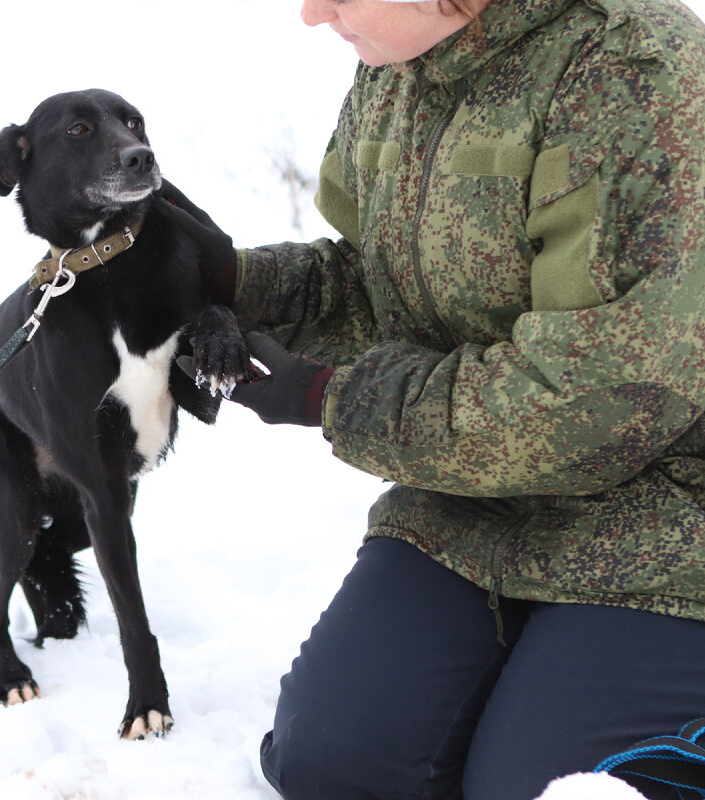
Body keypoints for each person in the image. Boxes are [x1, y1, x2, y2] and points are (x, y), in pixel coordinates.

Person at [170, 0, 705, 797]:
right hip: (470, 504)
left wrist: (331, 399)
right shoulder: (399, 62)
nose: (313, 14)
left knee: (546, 789)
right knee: (331, 764)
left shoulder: (637, 68)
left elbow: (606, 393)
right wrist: (237, 283)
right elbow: (380, 283)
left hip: (665, 523)